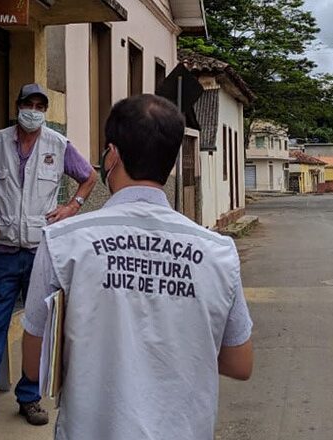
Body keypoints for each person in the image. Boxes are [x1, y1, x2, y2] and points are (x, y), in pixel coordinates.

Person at [21, 94, 254, 440]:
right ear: (171, 161)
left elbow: (32, 365)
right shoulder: (217, 251)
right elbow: (239, 363)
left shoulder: (62, 241)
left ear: (111, 155)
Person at [0, 83, 97, 436]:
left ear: (45, 111)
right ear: (18, 106)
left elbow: (89, 177)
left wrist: (73, 206)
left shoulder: (58, 145)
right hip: (5, 250)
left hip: (42, 252)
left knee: (37, 330)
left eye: (41, 105)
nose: (34, 110)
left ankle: (29, 397)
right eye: (29, 103)